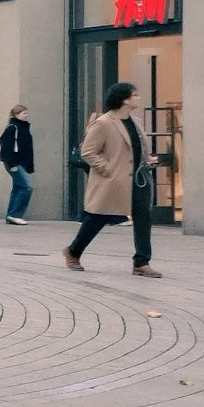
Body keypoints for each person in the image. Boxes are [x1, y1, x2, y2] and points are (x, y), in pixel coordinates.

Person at [66, 82, 162, 277]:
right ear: (125, 100)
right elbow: (88, 151)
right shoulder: (104, 123)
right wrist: (107, 168)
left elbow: (136, 147)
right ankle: (73, 251)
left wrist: (147, 159)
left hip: (138, 178)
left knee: (143, 217)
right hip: (113, 179)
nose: (138, 98)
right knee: (98, 217)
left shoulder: (134, 121)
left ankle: (142, 262)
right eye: (135, 95)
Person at [0, 104, 34, 225]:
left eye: (26, 113)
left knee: (18, 187)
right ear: (16, 115)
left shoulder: (22, 127)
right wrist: (12, 163)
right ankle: (15, 214)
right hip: (15, 162)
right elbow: (7, 147)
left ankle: (11, 215)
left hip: (20, 162)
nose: (26, 115)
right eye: (23, 113)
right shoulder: (13, 128)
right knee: (26, 186)